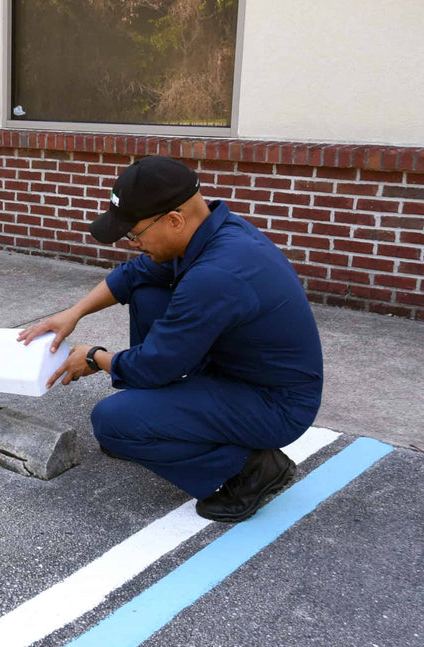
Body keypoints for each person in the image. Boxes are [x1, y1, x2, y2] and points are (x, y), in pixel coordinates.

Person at [17, 156, 323, 523]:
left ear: (174, 219)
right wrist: (74, 312)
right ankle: (156, 415)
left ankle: (253, 468)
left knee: (111, 422)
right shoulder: (209, 231)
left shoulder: (218, 273)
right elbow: (133, 275)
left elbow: (152, 364)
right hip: (237, 372)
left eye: (134, 233)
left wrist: (94, 356)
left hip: (274, 405)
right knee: (147, 290)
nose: (132, 243)